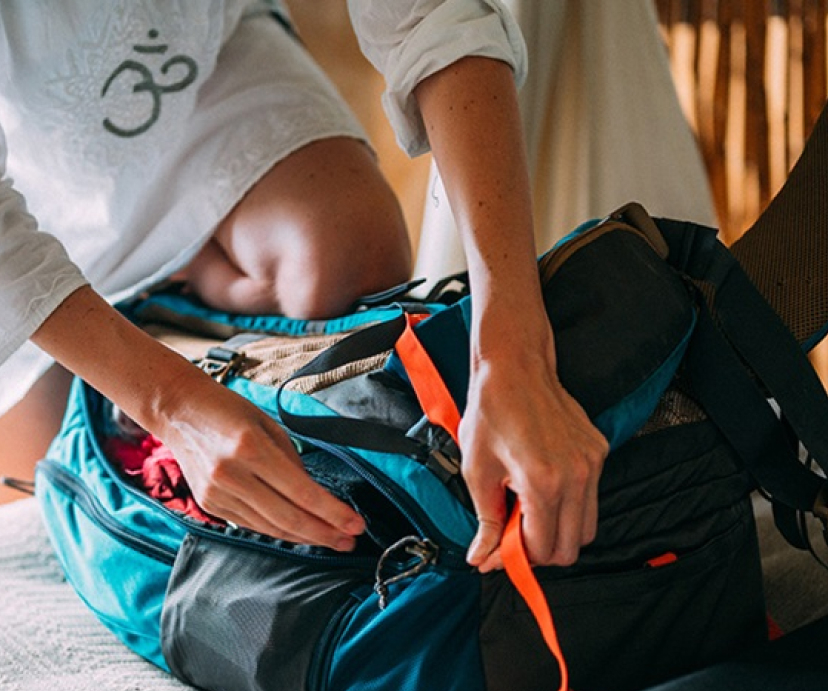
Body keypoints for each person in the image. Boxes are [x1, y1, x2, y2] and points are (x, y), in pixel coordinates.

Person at [0, 1, 608, 570]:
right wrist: (172, 404)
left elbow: (433, 14)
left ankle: (177, 291)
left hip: (202, 60)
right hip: (29, 170)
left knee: (349, 256)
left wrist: (511, 344)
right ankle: (146, 310)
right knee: (61, 480)